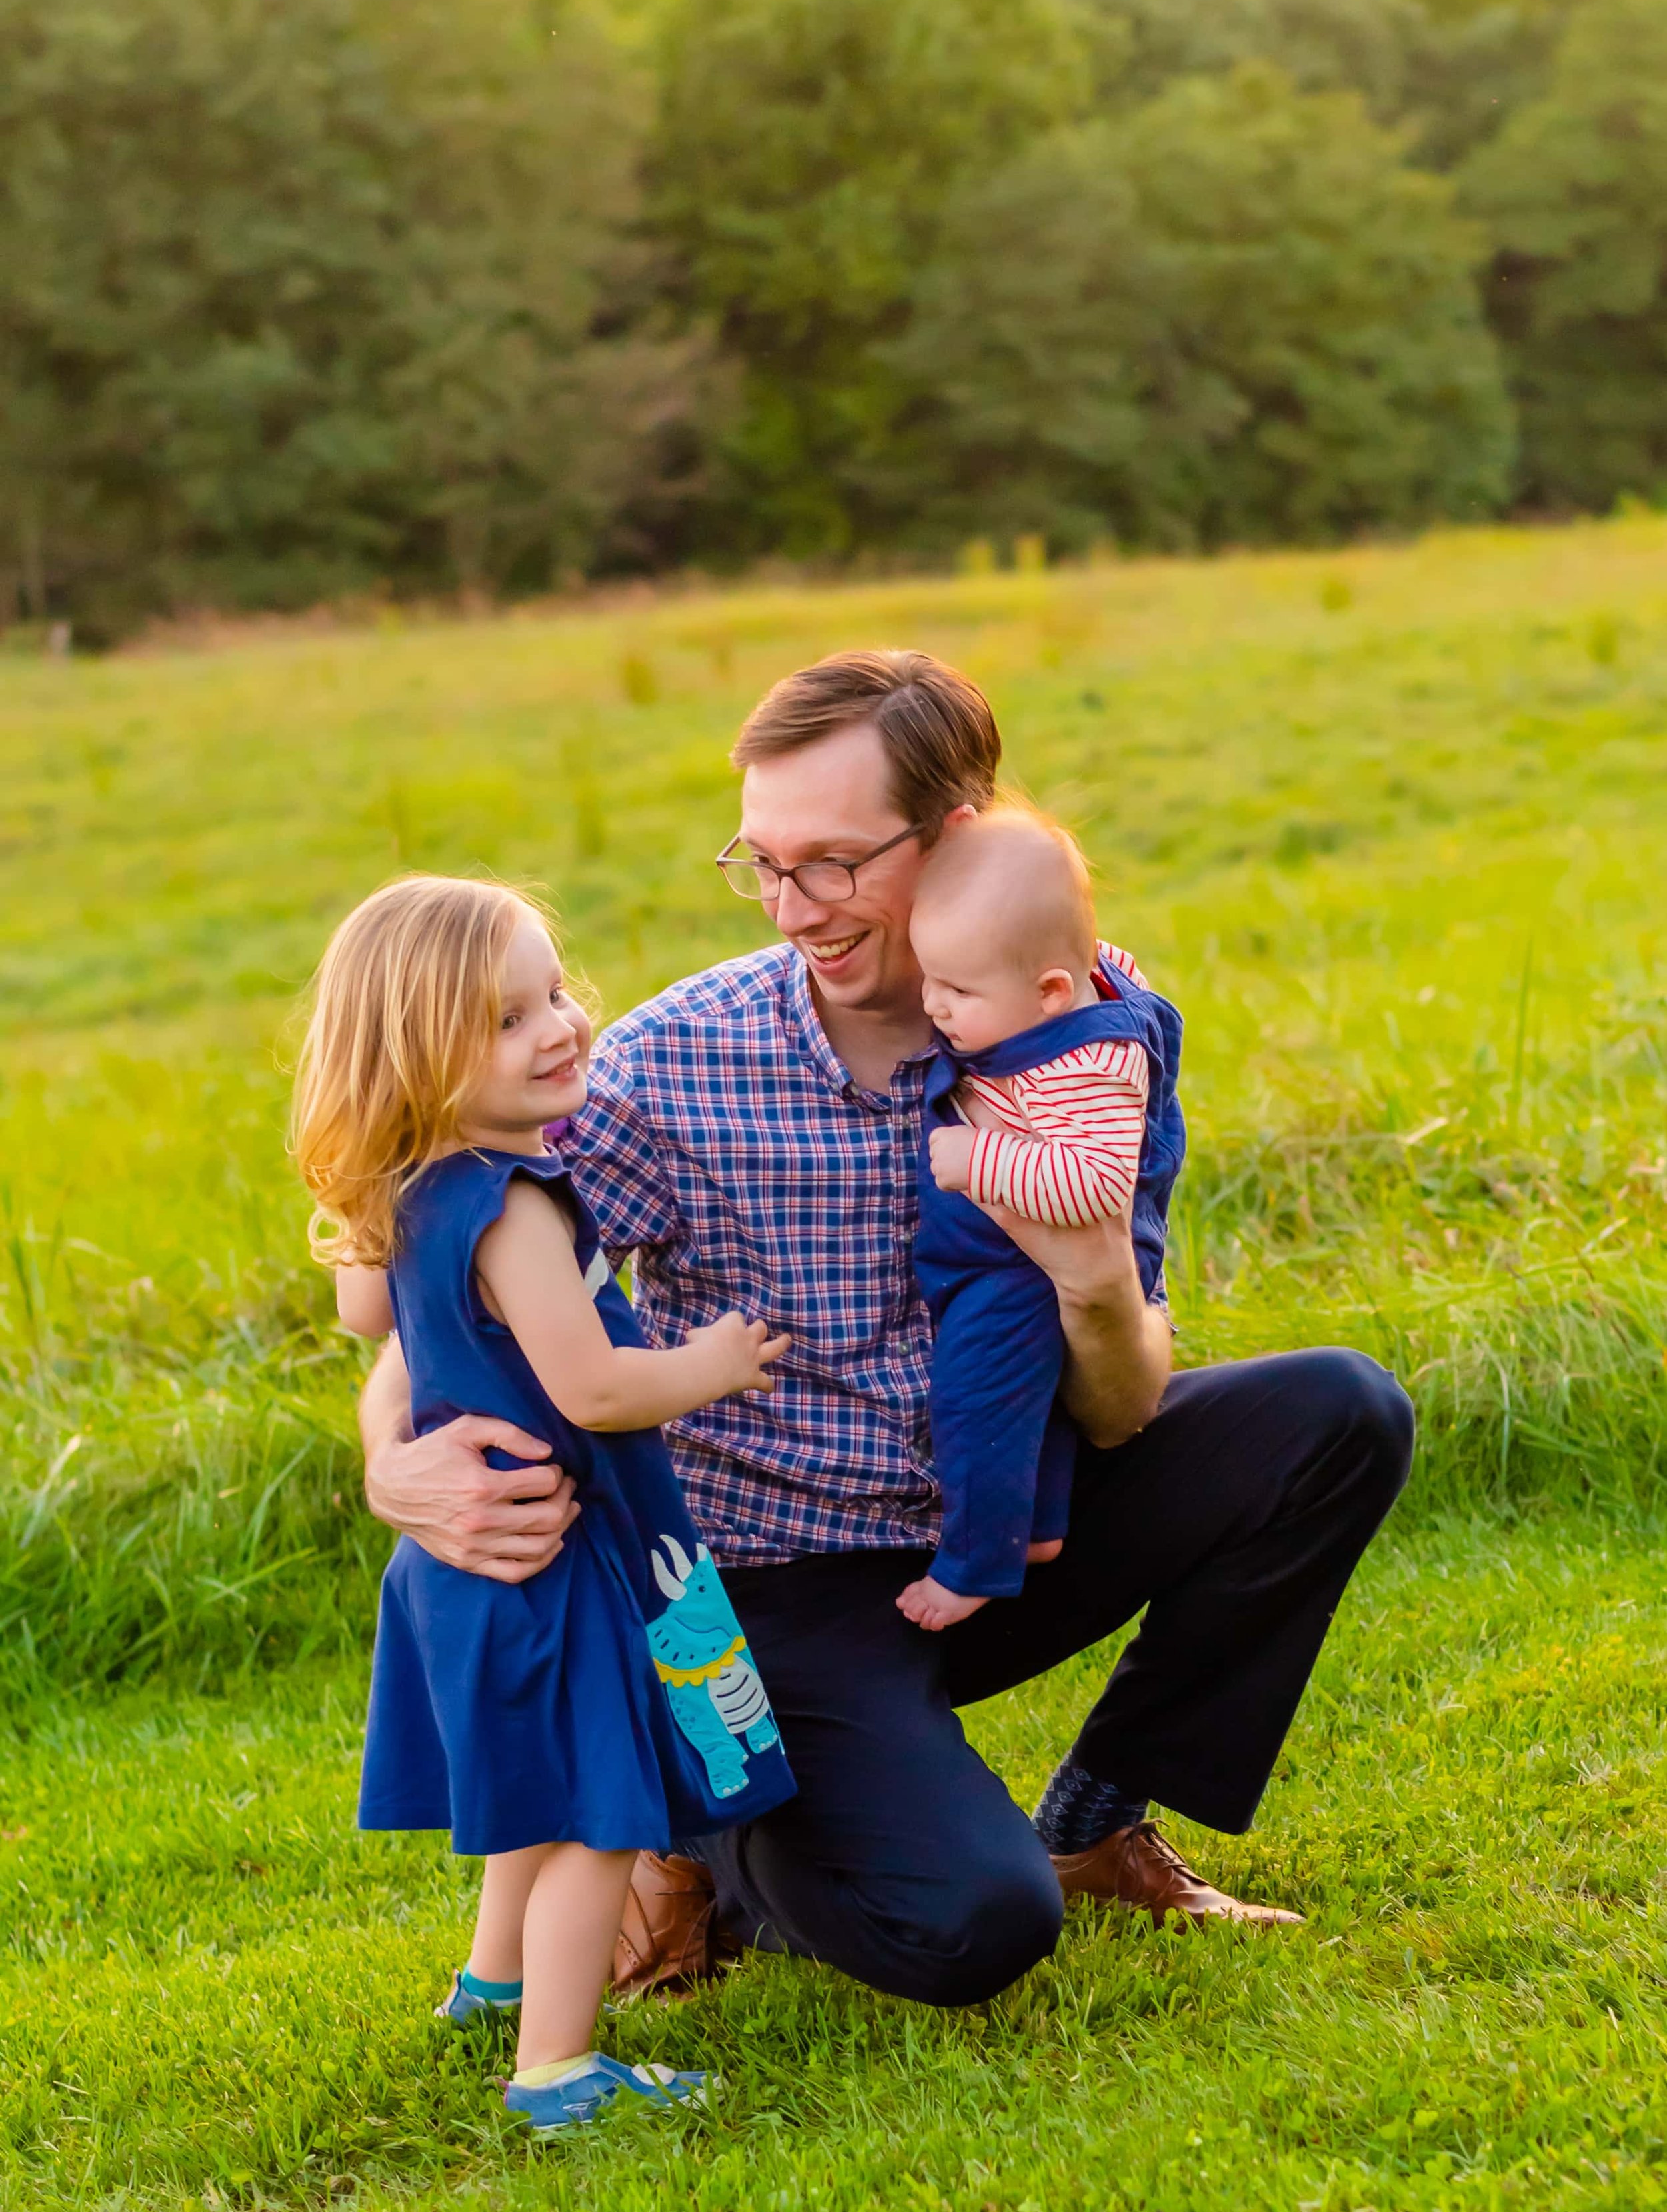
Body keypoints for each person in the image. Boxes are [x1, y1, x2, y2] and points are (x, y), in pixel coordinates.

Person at [357, 651, 1416, 2008]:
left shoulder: (1074, 1035)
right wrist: (390, 1454)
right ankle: (712, 1830)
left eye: (836, 864)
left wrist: (1095, 1287)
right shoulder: (675, 1063)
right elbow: (463, 1281)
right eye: (763, 864)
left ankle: (1093, 1816)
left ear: (956, 835)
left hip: (1001, 1516)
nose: (795, 908)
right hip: (775, 1587)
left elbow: (1117, 1406)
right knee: (971, 1927)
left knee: (1337, 1414)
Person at [292, 873, 795, 2131]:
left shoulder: (420, 1191)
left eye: (554, 995)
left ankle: (492, 1980)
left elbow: (370, 1315)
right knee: (596, 1811)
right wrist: (714, 1362)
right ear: (419, 1057)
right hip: (559, 1547)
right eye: (509, 1021)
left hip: (472, 1557)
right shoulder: (516, 1204)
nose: (561, 1027)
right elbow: (598, 1386)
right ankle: (559, 2069)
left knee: (538, 1779)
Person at [898, 802, 1182, 1635]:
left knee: (976, 1398)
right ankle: (1040, 1529)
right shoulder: (1070, 984)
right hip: (1011, 1252)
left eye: (956, 990)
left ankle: (973, 1565)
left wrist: (975, 1160)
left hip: (1021, 1263)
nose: (933, 1005)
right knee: (1034, 1399)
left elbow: (1095, 1183)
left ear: (1053, 991)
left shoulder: (1084, 1063)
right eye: (928, 979)